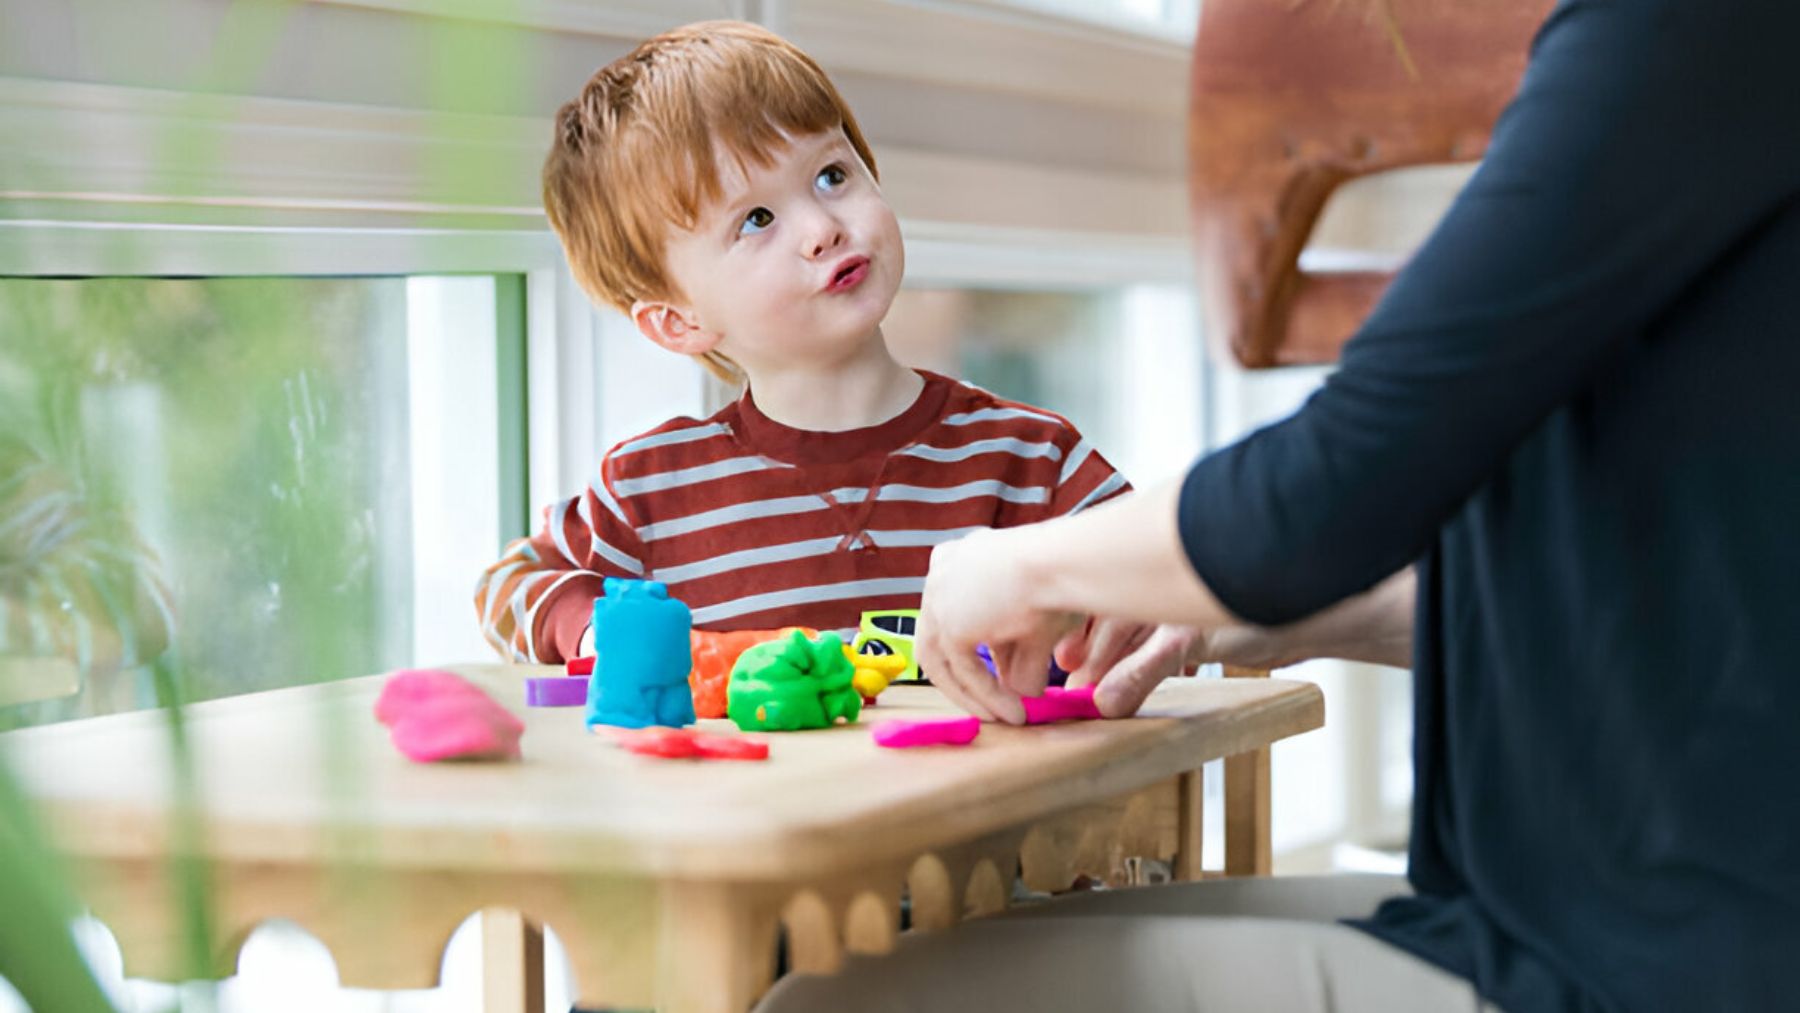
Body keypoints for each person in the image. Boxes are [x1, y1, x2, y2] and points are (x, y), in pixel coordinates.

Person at [760, 0, 1800, 1010]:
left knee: (821, 999)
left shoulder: (1693, 28)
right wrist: (1246, 613)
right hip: (1599, 910)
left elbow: (1334, 482)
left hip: (1659, 959)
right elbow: (1663, 593)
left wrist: (1026, 561)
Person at [473, 21, 1194, 685]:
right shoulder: (648, 492)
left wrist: (1103, 621)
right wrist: (591, 629)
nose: (821, 227)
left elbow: (1165, 599)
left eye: (832, 176)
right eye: (756, 219)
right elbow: (505, 587)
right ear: (678, 322)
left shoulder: (1032, 460)